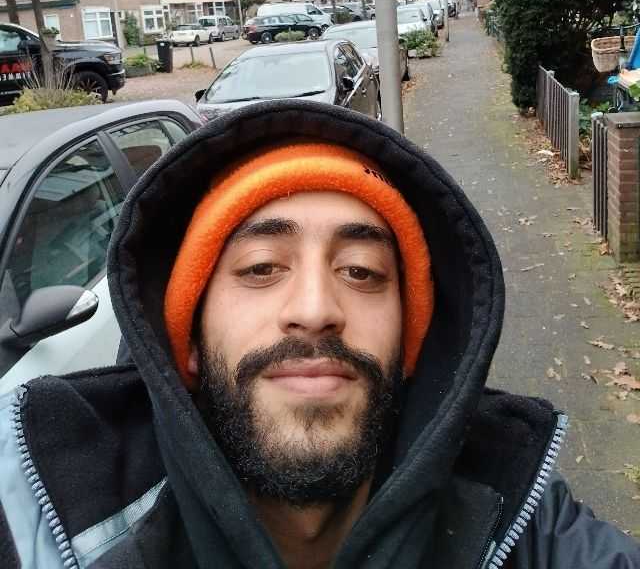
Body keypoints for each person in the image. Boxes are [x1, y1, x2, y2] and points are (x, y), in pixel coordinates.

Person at [0, 101, 638, 569]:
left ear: (410, 343)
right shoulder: (35, 509)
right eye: (261, 268)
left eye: (361, 272)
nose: (314, 309)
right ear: (186, 339)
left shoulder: (521, 516)